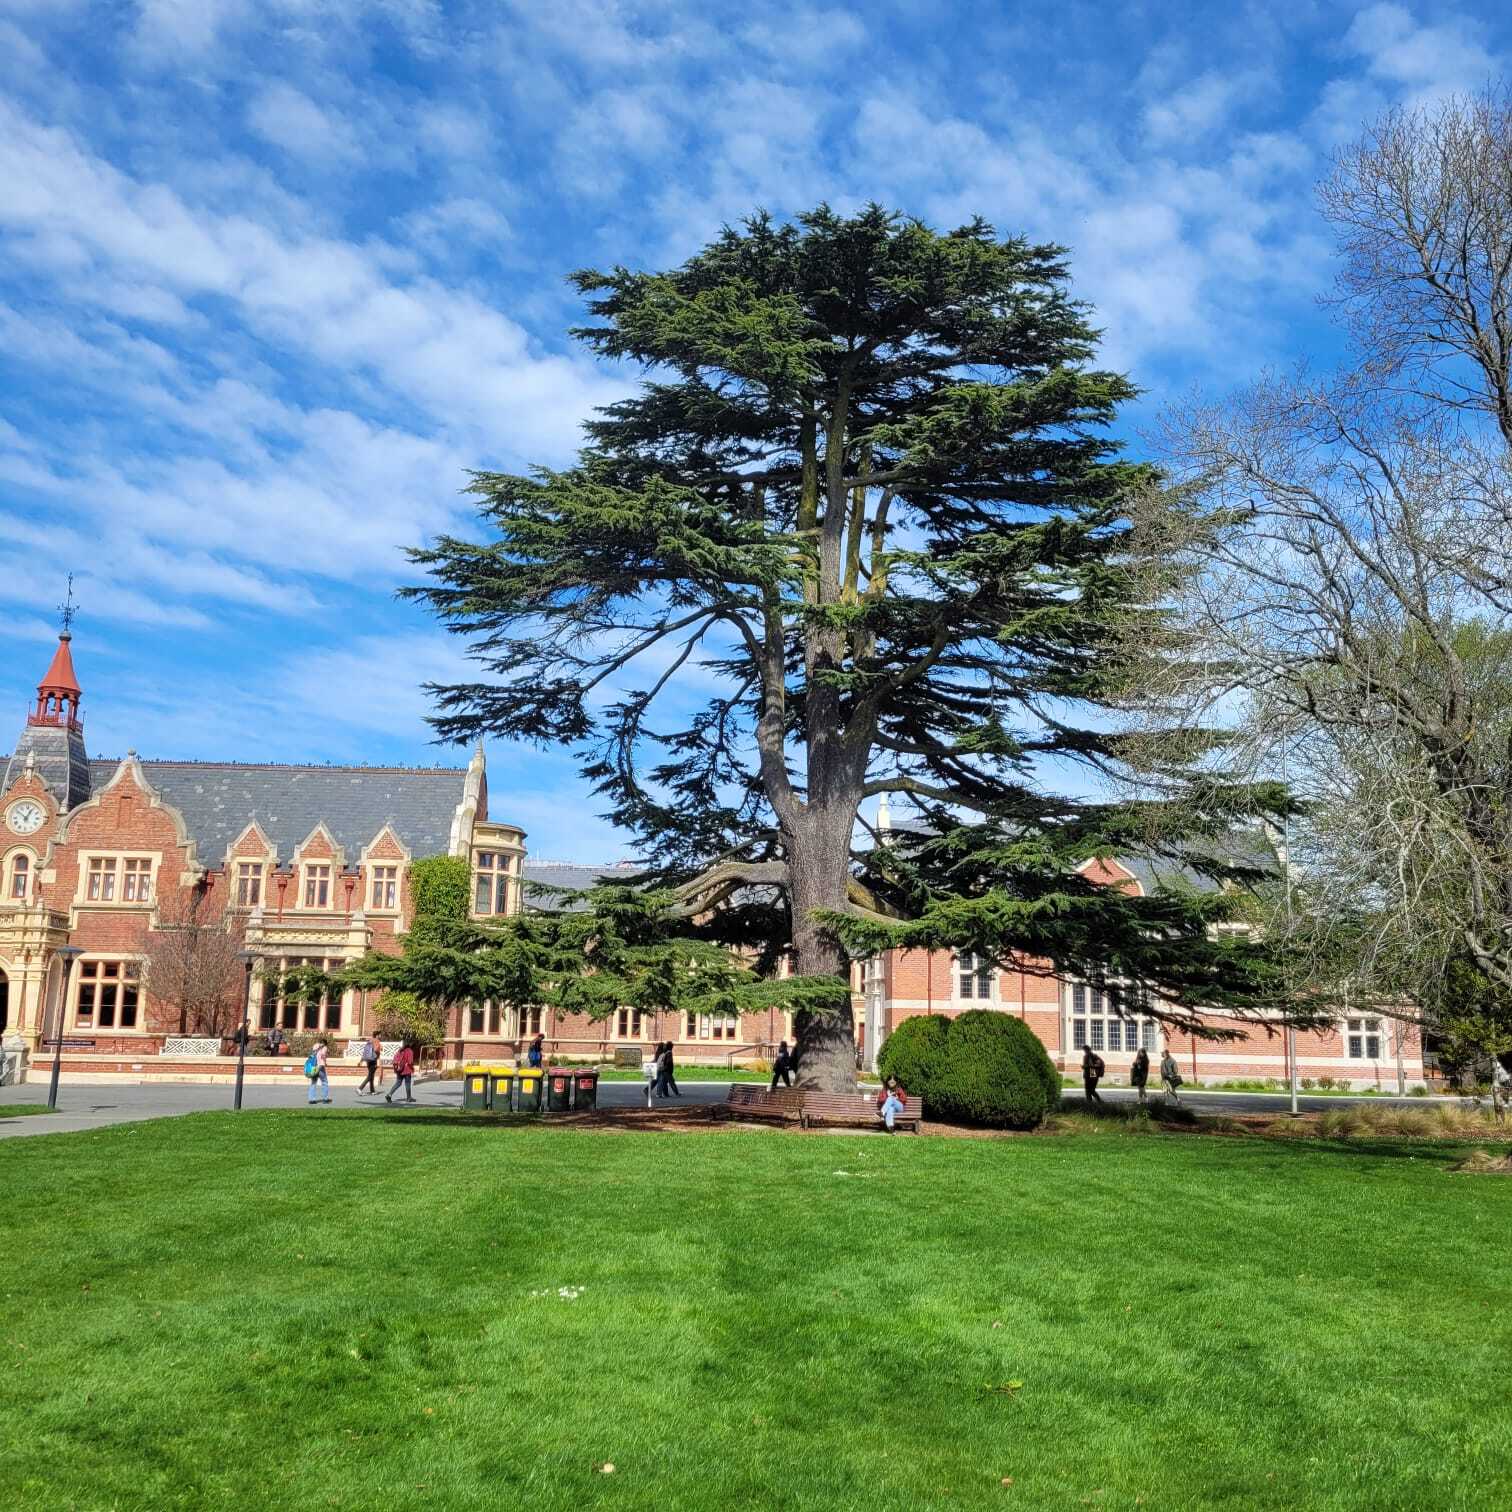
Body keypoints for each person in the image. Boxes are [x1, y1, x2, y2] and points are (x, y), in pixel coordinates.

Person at [306, 1037, 331, 1105]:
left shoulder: (315, 1045)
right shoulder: (324, 1047)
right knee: (324, 1082)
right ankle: (325, 1099)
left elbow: (313, 1054)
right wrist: (325, 1062)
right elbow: (323, 1055)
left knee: (313, 1082)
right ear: (325, 1043)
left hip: (314, 1066)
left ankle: (312, 1099)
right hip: (320, 1066)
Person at [356, 1032, 381, 1096]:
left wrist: (361, 1061)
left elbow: (365, 1052)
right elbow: (375, 1050)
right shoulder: (377, 1041)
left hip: (368, 1060)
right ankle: (360, 1088)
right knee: (370, 1076)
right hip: (373, 1060)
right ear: (377, 1035)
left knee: (371, 1075)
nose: (380, 1036)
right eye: (380, 1035)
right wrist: (379, 1049)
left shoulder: (369, 1040)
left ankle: (372, 1091)